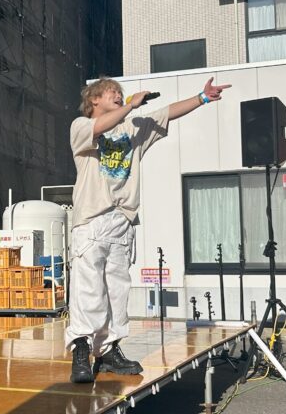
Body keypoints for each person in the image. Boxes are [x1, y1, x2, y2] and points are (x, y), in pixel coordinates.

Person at [66, 76, 231, 383]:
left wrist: (202, 98)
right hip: (91, 220)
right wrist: (130, 106)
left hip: (122, 220)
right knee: (88, 290)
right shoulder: (81, 126)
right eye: (112, 92)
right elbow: (99, 127)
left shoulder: (132, 128)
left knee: (117, 291)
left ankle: (109, 350)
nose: (118, 95)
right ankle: (81, 349)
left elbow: (166, 113)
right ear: (94, 100)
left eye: (120, 92)